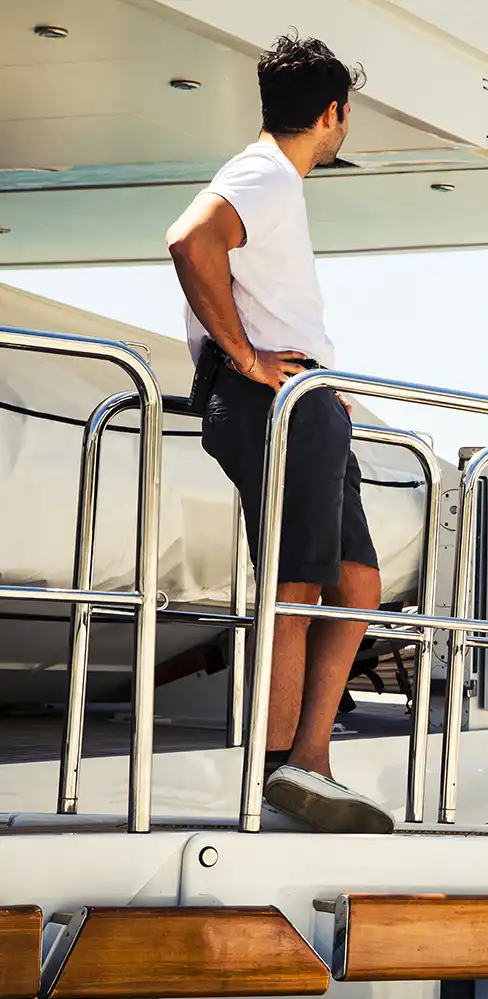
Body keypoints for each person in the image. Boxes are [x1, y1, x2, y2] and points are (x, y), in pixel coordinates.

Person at [166, 34, 390, 833]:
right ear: (332, 114)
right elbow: (190, 239)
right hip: (273, 407)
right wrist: (250, 360)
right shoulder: (261, 174)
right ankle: (275, 771)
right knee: (294, 589)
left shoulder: (274, 181)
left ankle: (310, 761)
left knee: (356, 581)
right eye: (345, 116)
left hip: (308, 406)